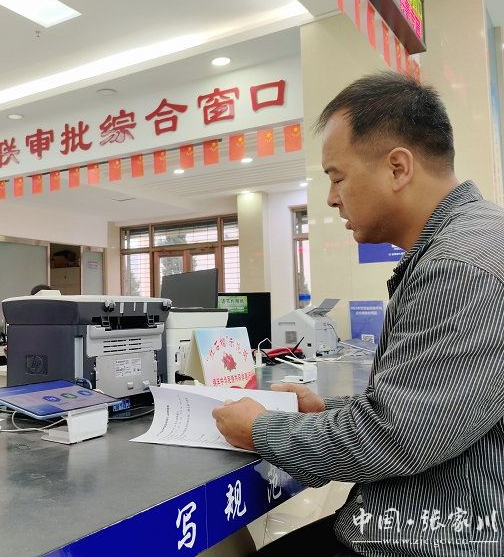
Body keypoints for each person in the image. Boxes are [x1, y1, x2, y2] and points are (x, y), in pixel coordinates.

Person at [212, 73, 504, 556]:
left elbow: (393, 438)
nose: (331, 198)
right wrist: (326, 410)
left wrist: (261, 428)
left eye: (337, 177)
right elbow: (424, 406)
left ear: (397, 168)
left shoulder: (460, 265)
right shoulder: (467, 241)